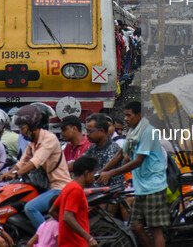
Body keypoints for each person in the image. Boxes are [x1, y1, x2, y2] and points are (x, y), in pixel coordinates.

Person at [97, 101, 170, 247]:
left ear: (139, 115)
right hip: (142, 187)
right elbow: (121, 154)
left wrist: (111, 173)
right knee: (135, 226)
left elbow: (138, 161)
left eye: (128, 115)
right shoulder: (134, 132)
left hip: (153, 186)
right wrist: (103, 171)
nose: (125, 119)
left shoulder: (148, 132)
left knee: (156, 229)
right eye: (125, 115)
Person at [0, 104, 71, 230]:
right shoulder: (32, 142)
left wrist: (16, 174)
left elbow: (35, 162)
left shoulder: (49, 139)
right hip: (45, 188)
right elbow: (22, 162)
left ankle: (48, 239)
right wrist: (8, 174)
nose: (20, 132)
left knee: (30, 208)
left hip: (60, 188)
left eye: (22, 128)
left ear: (32, 126)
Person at [49, 156, 98, 247]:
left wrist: (68, 229)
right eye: (93, 174)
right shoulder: (76, 190)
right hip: (76, 243)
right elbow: (67, 217)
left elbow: (52, 210)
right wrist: (89, 238)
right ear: (87, 173)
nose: (93, 178)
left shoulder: (68, 187)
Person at [83, 113, 123, 187]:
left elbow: (100, 178)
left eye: (90, 131)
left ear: (101, 131)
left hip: (110, 193)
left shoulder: (113, 148)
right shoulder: (92, 147)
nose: (87, 134)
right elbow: (82, 164)